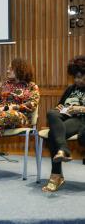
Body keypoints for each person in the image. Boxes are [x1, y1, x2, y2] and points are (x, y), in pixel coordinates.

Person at [42, 55, 85, 192]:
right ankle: (63, 149)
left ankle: (56, 176)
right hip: (64, 118)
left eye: (80, 77)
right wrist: (59, 108)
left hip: (79, 120)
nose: (77, 80)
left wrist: (80, 108)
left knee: (52, 134)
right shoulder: (70, 89)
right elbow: (59, 106)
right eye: (75, 77)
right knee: (51, 113)